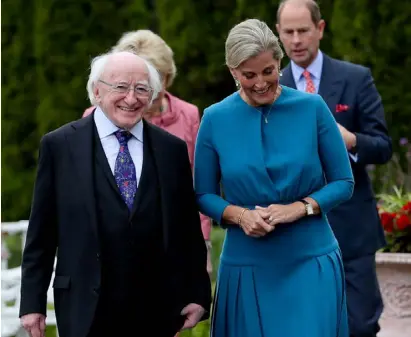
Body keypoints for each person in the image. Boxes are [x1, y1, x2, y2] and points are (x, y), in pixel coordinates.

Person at [19, 51, 211, 337]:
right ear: (97, 91)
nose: (131, 99)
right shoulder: (60, 146)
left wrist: (197, 292)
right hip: (85, 306)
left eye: (141, 89)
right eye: (121, 87)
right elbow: (41, 233)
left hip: (155, 308)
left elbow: (187, 227)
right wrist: (32, 303)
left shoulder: (171, 149)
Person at [194, 18, 354, 337]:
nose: (260, 83)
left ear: (279, 62)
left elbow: (343, 182)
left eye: (268, 71)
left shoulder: (312, 108)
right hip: (246, 261)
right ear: (232, 71)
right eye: (248, 75)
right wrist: (240, 216)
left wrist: (298, 208)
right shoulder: (214, 119)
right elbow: (202, 194)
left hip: (310, 258)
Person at [276, 1, 392, 336]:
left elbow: (383, 147)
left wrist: (351, 140)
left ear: (321, 29)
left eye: (303, 30)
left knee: (359, 324)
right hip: (293, 231)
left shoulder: (355, 79)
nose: (296, 40)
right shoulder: (269, 85)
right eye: (288, 32)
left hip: (352, 229)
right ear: (279, 33)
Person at [83, 30, 213, 275]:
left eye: (158, 79)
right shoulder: (94, 118)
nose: (149, 89)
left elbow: (196, 183)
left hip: (172, 237)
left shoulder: (189, 115)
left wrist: (202, 244)